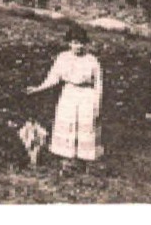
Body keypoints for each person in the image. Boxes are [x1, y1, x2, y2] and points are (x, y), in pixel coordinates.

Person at [25, 23, 103, 165]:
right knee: (67, 123)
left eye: (81, 43)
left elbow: (98, 84)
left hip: (87, 95)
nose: (78, 46)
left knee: (85, 124)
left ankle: (83, 159)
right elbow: (54, 77)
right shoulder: (63, 57)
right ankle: (67, 159)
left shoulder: (92, 60)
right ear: (69, 43)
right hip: (69, 93)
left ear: (86, 44)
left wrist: (97, 104)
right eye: (74, 43)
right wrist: (38, 88)